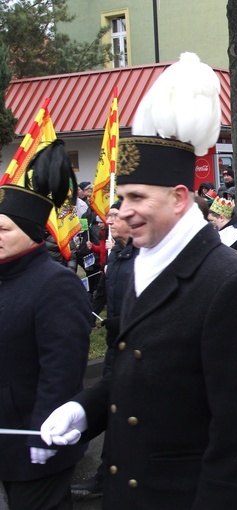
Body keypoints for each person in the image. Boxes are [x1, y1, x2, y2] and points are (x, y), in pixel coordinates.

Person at [40, 52, 237, 509]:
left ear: (179, 196)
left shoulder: (229, 283)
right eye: (119, 197)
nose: (122, 210)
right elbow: (137, 374)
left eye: (135, 197)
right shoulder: (136, 265)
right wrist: (84, 410)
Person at [0, 141, 92, 510]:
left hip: (34, 437)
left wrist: (43, 430)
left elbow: (63, 368)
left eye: (2, 229)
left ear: (29, 231)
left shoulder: (55, 283)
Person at [72, 200, 138, 496]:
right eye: (109, 216)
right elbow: (101, 293)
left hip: (135, 350)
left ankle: (113, 474)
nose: (109, 221)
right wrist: (84, 314)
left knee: (126, 413)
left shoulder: (142, 258)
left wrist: (122, 321)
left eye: (115, 216)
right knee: (113, 410)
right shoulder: (117, 255)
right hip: (114, 348)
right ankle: (107, 473)